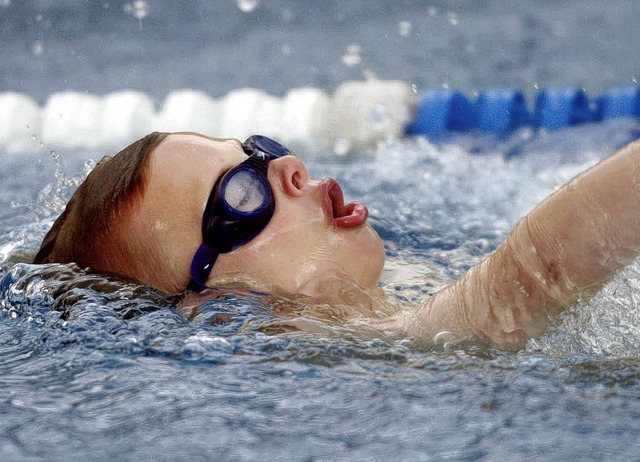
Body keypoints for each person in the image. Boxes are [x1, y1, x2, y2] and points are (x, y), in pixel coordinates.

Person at [33, 132, 640, 348]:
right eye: (242, 196)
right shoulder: (393, 346)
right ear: (218, 310)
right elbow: (539, 274)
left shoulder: (406, 293)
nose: (289, 165)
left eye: (257, 151)